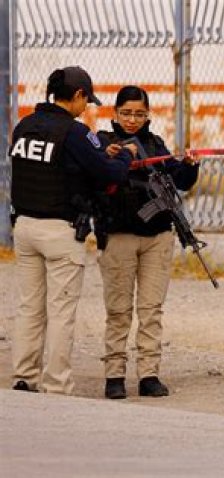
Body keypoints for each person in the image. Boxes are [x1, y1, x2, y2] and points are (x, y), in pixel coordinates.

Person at [9, 66, 134, 395]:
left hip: (24, 226)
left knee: (29, 307)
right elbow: (109, 174)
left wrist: (97, 154)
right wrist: (125, 156)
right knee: (61, 311)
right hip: (60, 232)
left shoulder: (24, 126)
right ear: (77, 95)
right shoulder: (75, 132)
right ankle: (56, 384)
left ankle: (24, 377)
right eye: (86, 101)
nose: (86, 107)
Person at [96, 85, 199, 399]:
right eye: (126, 113)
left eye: (139, 114)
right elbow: (94, 175)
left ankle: (149, 374)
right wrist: (111, 156)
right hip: (118, 236)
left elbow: (180, 180)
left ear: (148, 115)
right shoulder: (102, 142)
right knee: (118, 310)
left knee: (151, 309)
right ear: (115, 113)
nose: (132, 120)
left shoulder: (155, 144)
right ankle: (114, 374)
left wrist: (190, 165)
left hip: (157, 237)